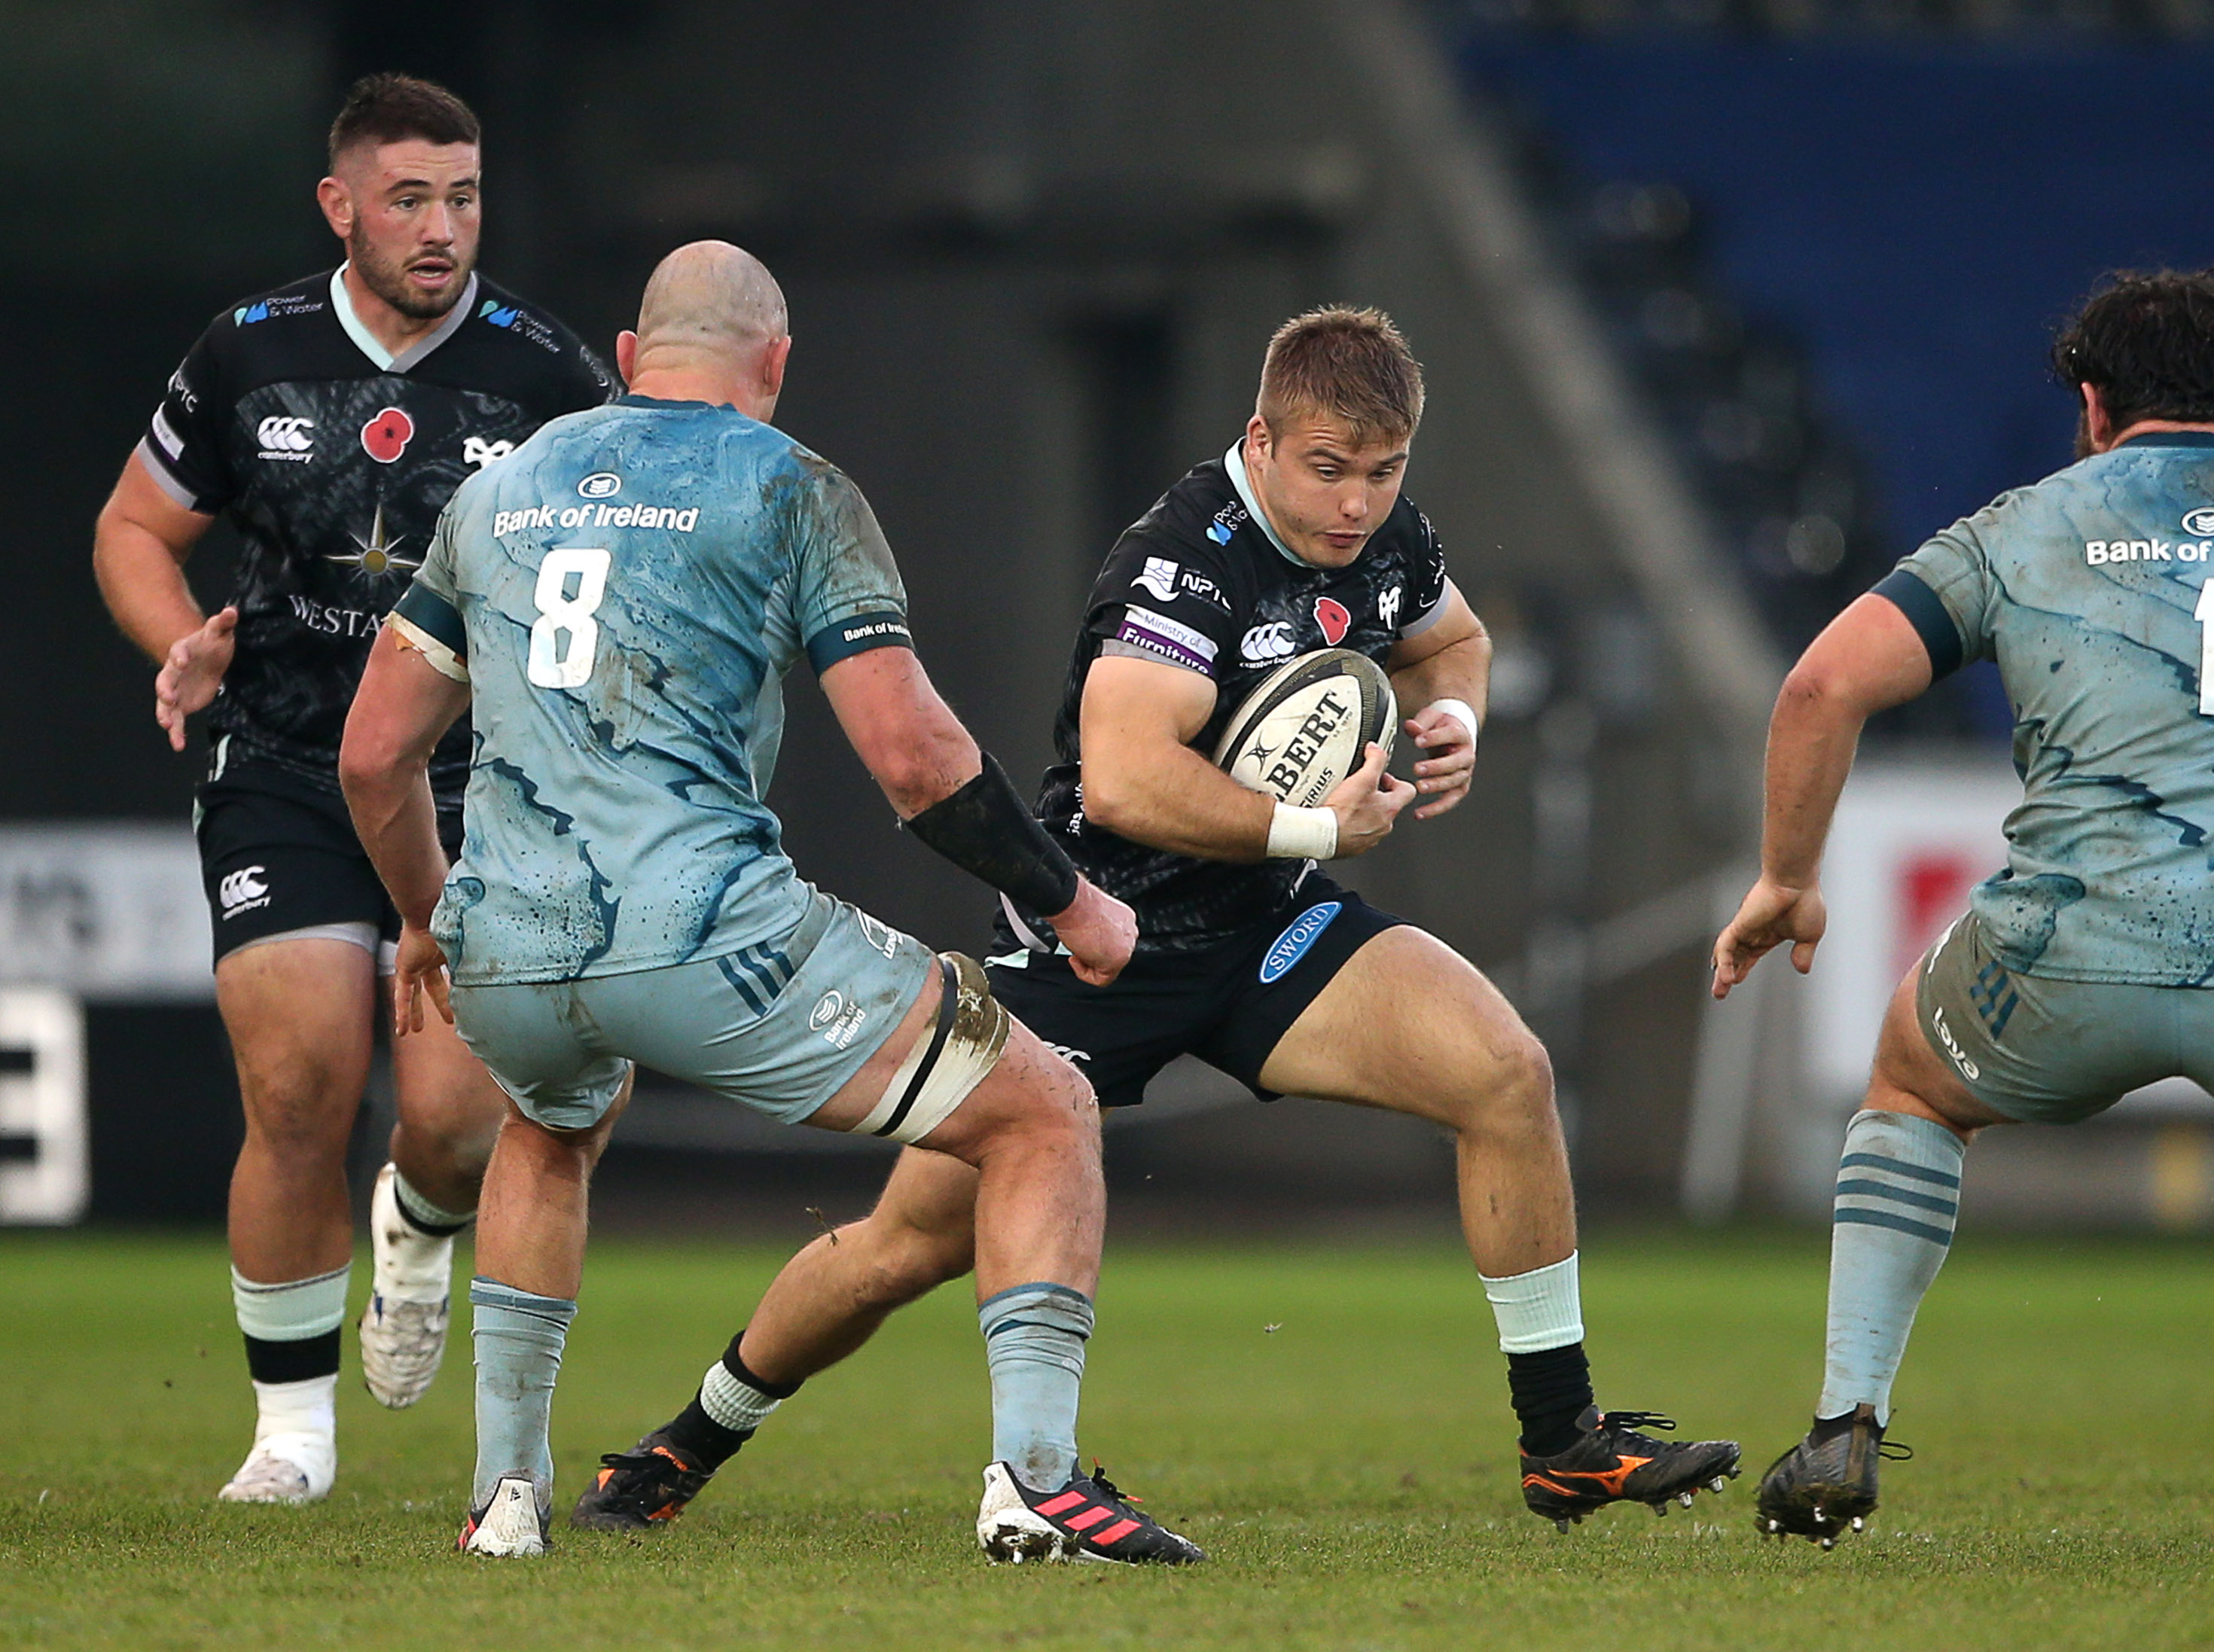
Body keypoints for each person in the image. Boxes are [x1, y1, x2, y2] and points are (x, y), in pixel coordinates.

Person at [568, 306, 1740, 1543]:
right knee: (900, 1249)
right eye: (1329, 470)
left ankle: (1562, 1441)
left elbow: (1455, 641)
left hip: (1267, 931)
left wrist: (1452, 727)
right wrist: (1315, 831)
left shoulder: (1387, 533)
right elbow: (1127, 776)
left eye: (1383, 472)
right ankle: (684, 1441)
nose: (1356, 504)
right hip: (1102, 944)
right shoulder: (1183, 558)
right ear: (1263, 438)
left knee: (1505, 1073)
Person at [340, 239, 1198, 1563]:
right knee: (1043, 1114)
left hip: (505, 940)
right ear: (777, 367)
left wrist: (421, 913)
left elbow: (373, 755)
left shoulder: (496, 489)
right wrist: (1070, 900)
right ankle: (1035, 1478)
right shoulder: (793, 484)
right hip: (701, 936)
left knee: (547, 1129)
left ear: (629, 362)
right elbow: (914, 762)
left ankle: (504, 1499)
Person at [1710, 267, 2214, 1548]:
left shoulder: (2024, 526)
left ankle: (1847, 1420)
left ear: (2090, 403)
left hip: (2070, 947)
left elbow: (1820, 688)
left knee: (1911, 1080)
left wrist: (1787, 881)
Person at [90, 73, 611, 1504]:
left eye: (464, 196)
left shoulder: (550, 375)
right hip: (287, 770)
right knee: (301, 1083)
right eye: (409, 198)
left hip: (478, 789)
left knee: (449, 1120)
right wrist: (180, 639)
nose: (442, 227)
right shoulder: (246, 355)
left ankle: (424, 1227)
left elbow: (631, 560)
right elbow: (134, 527)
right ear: (341, 207)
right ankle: (292, 1438)